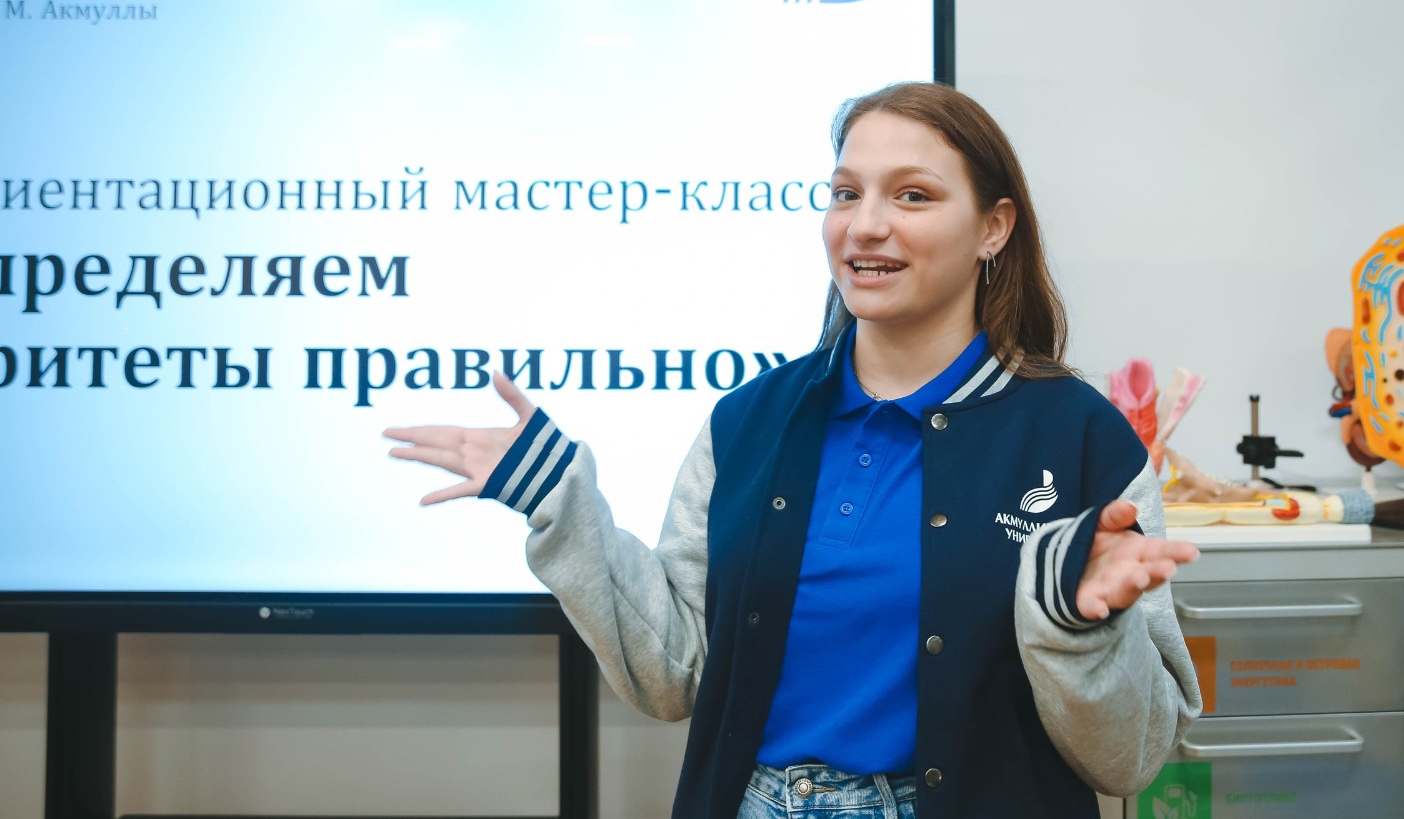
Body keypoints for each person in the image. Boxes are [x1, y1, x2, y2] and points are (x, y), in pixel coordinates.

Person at [385, 82, 1202, 819]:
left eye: (912, 195)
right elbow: (674, 675)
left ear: (994, 227)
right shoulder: (748, 422)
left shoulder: (1080, 439)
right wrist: (563, 506)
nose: (865, 224)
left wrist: (1076, 627)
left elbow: (1129, 761)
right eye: (846, 193)